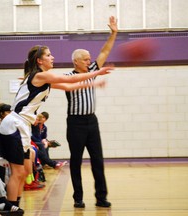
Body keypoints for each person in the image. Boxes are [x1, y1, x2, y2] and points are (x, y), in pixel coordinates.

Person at [0, 45, 113, 209]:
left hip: (22, 125)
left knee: (25, 171)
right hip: (14, 124)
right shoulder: (40, 75)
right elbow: (69, 80)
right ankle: (10, 207)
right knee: (18, 172)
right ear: (40, 60)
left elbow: (68, 87)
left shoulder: (43, 78)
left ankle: (14, 206)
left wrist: (92, 84)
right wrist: (96, 73)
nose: (52, 58)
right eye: (49, 55)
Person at [64, 16, 118, 208]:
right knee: (76, 161)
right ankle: (78, 198)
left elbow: (105, 51)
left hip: (91, 122)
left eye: (89, 59)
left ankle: (101, 197)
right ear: (76, 62)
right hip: (75, 123)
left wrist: (114, 33)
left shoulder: (94, 69)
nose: (89, 61)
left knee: (97, 160)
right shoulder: (68, 77)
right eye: (86, 59)